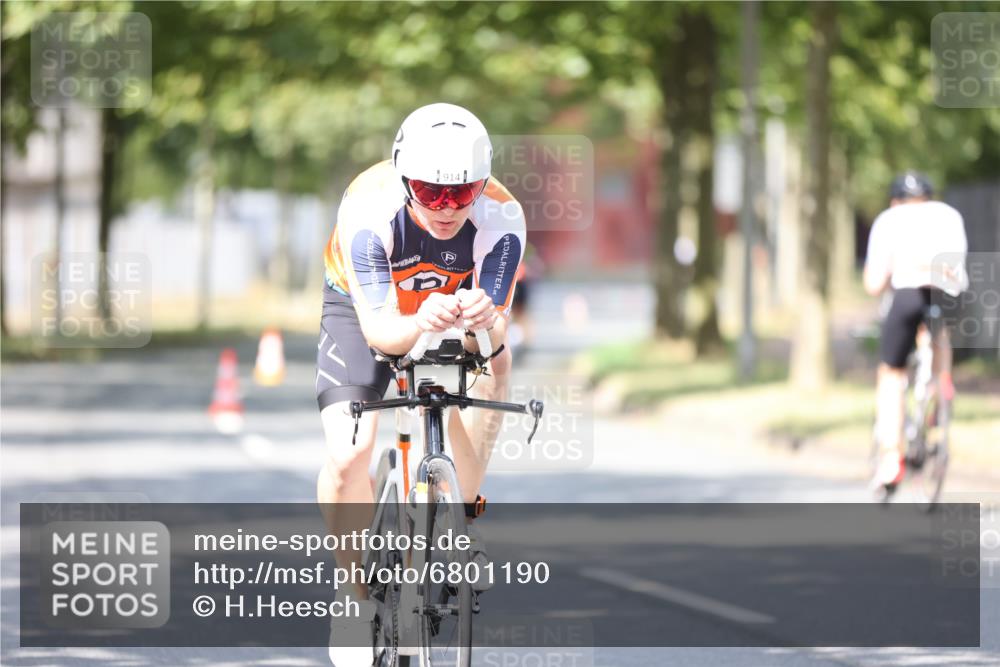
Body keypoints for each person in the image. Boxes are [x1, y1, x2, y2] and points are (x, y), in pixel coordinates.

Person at [315, 103, 526, 666]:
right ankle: (355, 594)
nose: (447, 207)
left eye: (462, 193)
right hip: (370, 310)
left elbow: (494, 337)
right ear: (405, 178)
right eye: (431, 193)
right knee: (349, 454)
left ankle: (463, 498)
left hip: (449, 307)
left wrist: (485, 319)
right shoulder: (367, 207)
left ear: (482, 185)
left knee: (500, 364)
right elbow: (384, 333)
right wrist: (419, 322)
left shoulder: (503, 216)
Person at [863, 171, 968, 489]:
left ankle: (892, 457)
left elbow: (873, 283)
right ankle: (941, 385)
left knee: (891, 373)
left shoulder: (889, 220)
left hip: (908, 293)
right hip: (949, 293)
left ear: (896, 200)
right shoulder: (949, 215)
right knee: (938, 333)